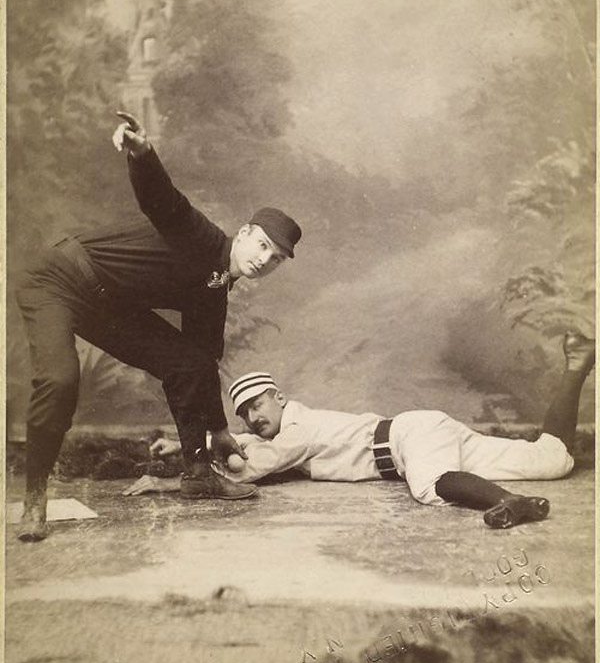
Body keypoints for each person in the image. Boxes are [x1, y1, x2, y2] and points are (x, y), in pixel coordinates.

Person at [15, 112, 302, 541]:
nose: (264, 259)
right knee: (59, 381)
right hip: (57, 278)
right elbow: (163, 200)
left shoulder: (215, 286)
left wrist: (219, 429)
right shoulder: (202, 238)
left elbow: (202, 359)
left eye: (275, 258)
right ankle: (34, 500)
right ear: (243, 234)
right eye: (262, 245)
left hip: (105, 304)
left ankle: (199, 474)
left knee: (188, 360)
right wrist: (143, 153)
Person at [124, 332, 595, 529]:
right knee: (553, 461)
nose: (251, 417)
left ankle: (504, 502)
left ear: (280, 398)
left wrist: (166, 483)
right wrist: (194, 443)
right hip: (422, 430)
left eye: (257, 405)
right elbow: (250, 445)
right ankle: (577, 367)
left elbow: (245, 473)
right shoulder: (290, 429)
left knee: (432, 486)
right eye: (243, 412)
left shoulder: (297, 432)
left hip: (409, 441)